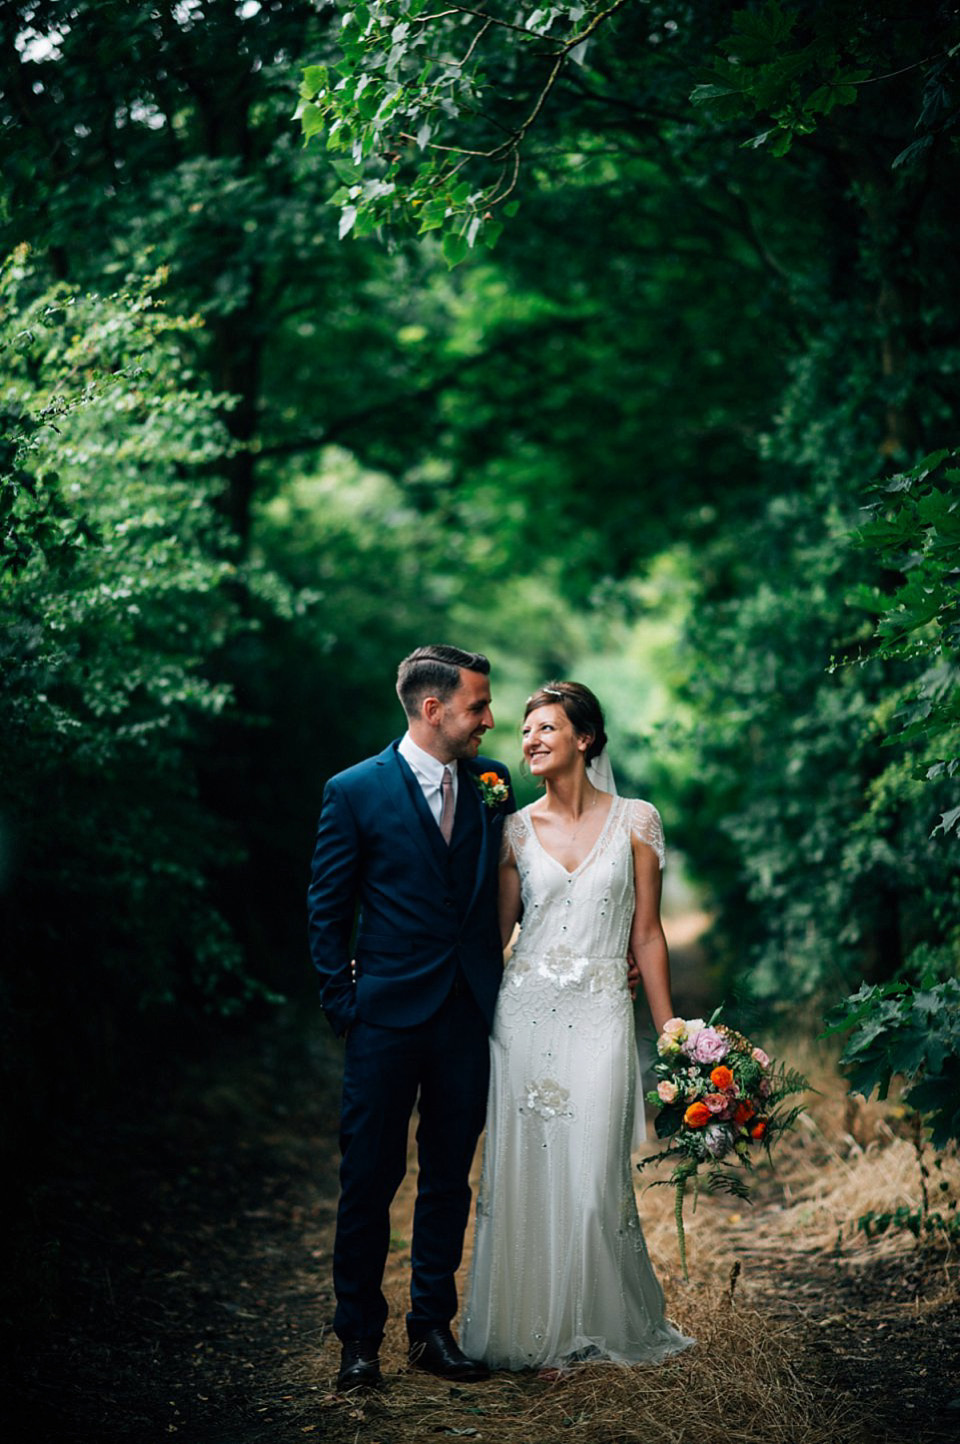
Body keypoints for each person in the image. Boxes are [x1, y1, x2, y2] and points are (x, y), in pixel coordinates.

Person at [461, 681, 693, 1371]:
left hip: (600, 1013)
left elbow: (647, 935)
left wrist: (672, 1031)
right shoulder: (513, 830)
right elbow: (496, 936)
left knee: (594, 1181)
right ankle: (538, 1335)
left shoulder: (638, 821)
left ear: (585, 738)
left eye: (546, 728)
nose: (528, 738)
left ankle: (596, 1323)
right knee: (528, 1175)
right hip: (523, 1019)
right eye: (525, 729)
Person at [307, 645, 514, 1391]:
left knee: (448, 1179)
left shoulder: (494, 784)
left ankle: (431, 1329)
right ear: (434, 709)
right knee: (369, 1178)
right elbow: (326, 908)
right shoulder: (354, 790)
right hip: (385, 1018)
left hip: (465, 1013)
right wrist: (344, 1005)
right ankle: (358, 1337)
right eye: (478, 707)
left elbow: (507, 891)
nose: (492, 721)